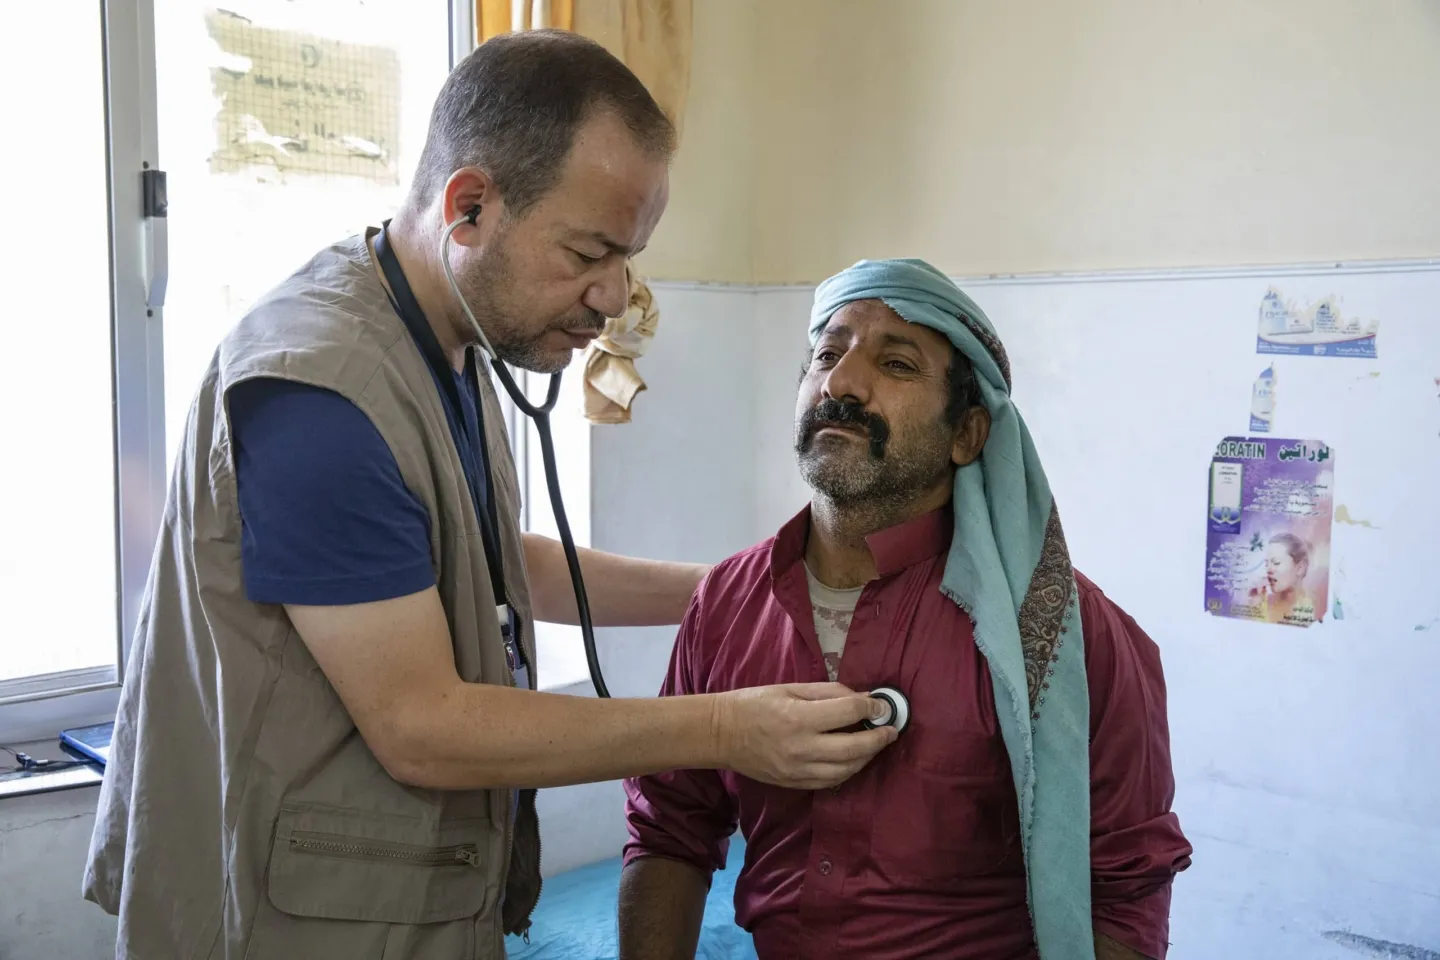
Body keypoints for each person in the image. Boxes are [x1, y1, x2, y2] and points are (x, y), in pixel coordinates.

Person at [82, 31, 895, 960]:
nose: (613, 297)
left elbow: (495, 564)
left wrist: (740, 585)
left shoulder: (453, 337)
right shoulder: (320, 391)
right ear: (468, 206)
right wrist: (725, 727)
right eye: (590, 251)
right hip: (289, 917)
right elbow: (422, 727)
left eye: (628, 257)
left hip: (409, 894)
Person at [619, 259, 1194, 960]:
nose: (841, 383)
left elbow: (1126, 891)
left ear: (968, 435)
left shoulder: (1066, 636)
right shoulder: (727, 605)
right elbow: (669, 830)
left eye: (895, 364)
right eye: (826, 355)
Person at [1259, 532, 1316, 624]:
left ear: (1300, 568)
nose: (1268, 569)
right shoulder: (1262, 603)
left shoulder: (1316, 606)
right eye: (1266, 564)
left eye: (1276, 562)